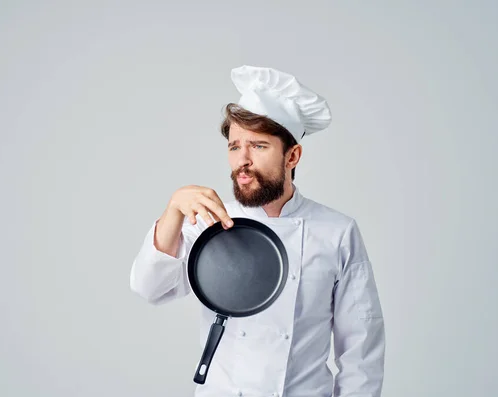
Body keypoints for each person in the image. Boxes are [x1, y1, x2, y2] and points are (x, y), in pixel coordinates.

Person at [129, 65, 386, 397]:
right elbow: (150, 288)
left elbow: (361, 353)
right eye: (235, 146)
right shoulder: (208, 221)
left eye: (258, 146)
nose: (242, 160)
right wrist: (173, 211)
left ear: (292, 155)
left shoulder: (337, 232)